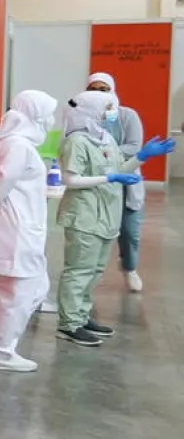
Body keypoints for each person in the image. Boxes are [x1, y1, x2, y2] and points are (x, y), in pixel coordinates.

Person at [53, 90, 173, 347]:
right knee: (78, 271)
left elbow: (119, 169)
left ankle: (82, 316)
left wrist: (142, 156)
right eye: (106, 107)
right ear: (91, 109)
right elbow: (70, 180)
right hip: (84, 215)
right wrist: (109, 178)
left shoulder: (105, 138)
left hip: (106, 215)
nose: (112, 112)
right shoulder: (77, 141)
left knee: (95, 271)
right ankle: (69, 324)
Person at [0, 90, 59, 372]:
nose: (51, 119)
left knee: (35, 287)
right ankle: (1, 351)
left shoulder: (17, 143)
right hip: (15, 230)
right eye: (47, 112)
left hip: (19, 227)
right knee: (20, 291)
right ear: (34, 114)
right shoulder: (17, 145)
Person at [84, 72, 147, 292]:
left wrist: (101, 154)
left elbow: (134, 147)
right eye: (93, 89)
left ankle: (129, 267)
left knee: (129, 232)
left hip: (126, 184)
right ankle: (91, 273)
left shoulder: (127, 116)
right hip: (97, 185)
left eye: (103, 89)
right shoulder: (84, 117)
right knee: (94, 234)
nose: (98, 94)